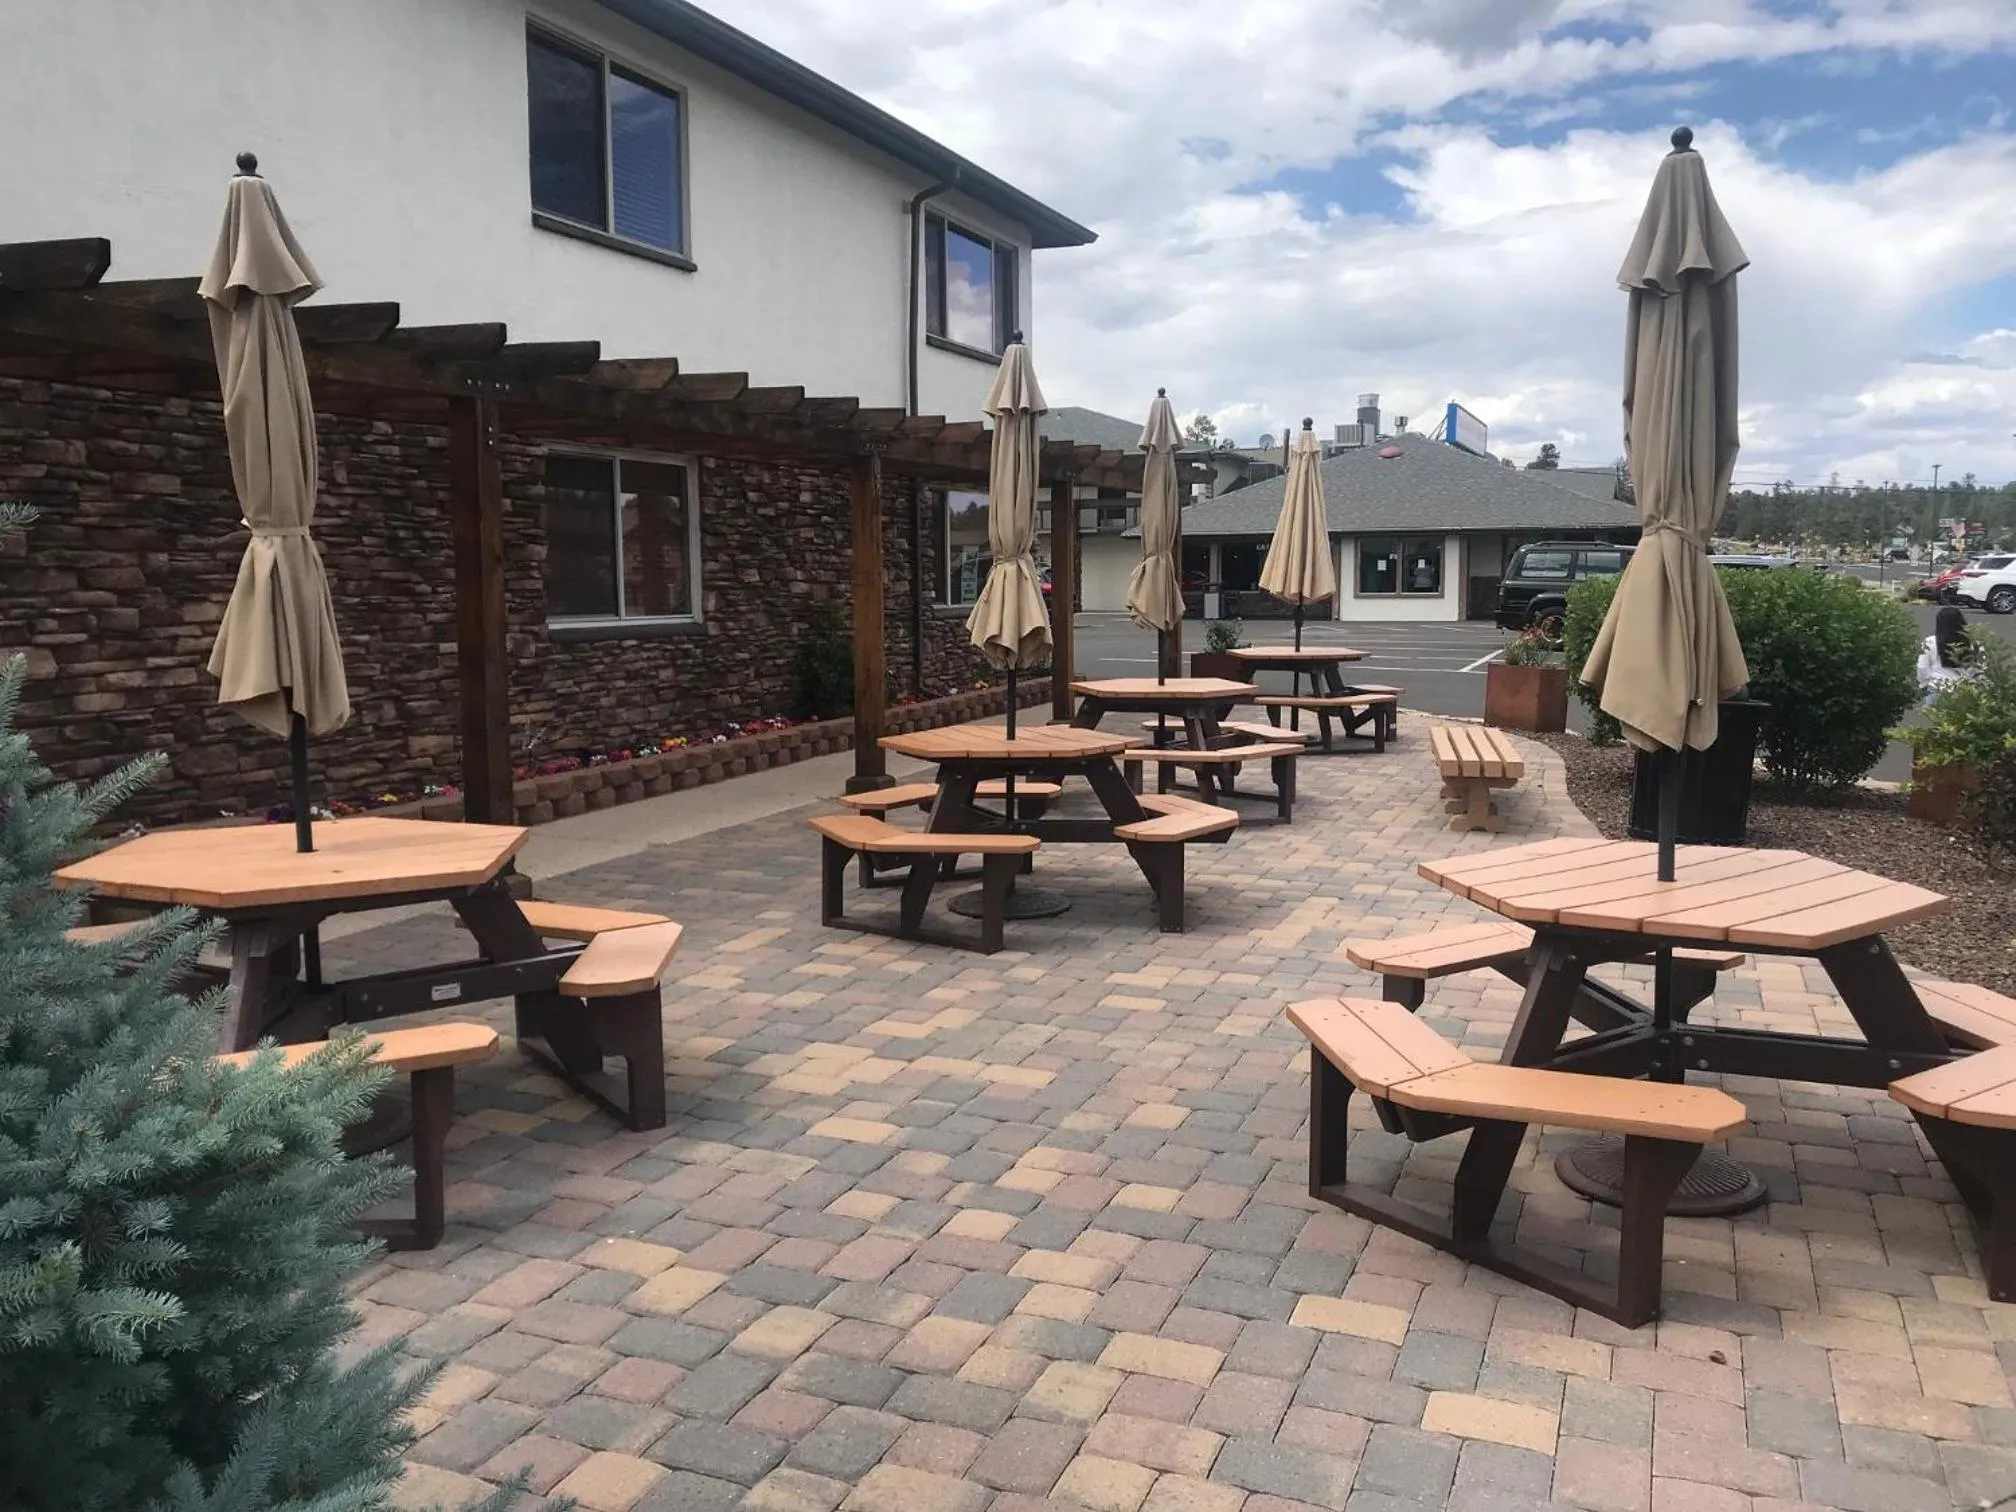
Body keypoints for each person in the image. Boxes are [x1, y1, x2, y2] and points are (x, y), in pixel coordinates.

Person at [1916, 606, 1971, 695]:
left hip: (1937, 687)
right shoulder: (1972, 643)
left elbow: (1922, 667)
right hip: (1964, 690)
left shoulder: (1930, 641)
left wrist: (1925, 684)